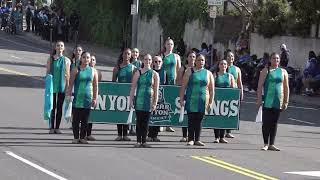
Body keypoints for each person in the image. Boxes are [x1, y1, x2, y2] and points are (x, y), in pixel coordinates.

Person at [180, 54, 215, 146]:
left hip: (203, 100)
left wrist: (211, 102)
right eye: (199, 60)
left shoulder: (208, 73)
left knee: (199, 119)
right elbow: (183, 86)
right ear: (195, 61)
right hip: (192, 99)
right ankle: (190, 139)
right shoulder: (189, 71)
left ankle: (197, 139)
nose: (201, 62)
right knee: (191, 119)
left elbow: (212, 89)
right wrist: (181, 98)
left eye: (202, 60)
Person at [257, 53, 289, 151]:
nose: (276, 60)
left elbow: (286, 87)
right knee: (266, 122)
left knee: (274, 123)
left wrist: (286, 101)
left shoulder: (283, 71)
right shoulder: (266, 70)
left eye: (277, 58)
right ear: (270, 60)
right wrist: (259, 99)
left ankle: (272, 144)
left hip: (278, 101)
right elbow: (259, 86)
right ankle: (266, 143)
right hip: (267, 100)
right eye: (274, 58)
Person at [67, 52, 98, 144]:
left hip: (88, 99)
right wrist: (68, 95)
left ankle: (83, 137)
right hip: (78, 99)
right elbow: (71, 84)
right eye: (84, 57)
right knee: (76, 119)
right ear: (81, 59)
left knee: (85, 119)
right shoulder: (76, 70)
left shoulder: (93, 71)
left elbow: (95, 85)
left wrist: (95, 98)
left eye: (88, 57)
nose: (86, 59)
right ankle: (76, 137)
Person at [130, 54, 160, 148]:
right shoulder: (138, 72)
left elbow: (156, 90)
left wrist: (155, 102)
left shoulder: (155, 74)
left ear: (151, 61)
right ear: (143, 61)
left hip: (149, 100)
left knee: (146, 122)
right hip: (139, 99)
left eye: (150, 59)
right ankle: (139, 140)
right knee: (139, 121)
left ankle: (144, 141)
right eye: (146, 59)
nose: (148, 61)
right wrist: (131, 100)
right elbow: (133, 87)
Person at [46, 41, 71, 134]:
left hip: (62, 86)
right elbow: (48, 72)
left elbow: (68, 75)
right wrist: (48, 85)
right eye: (58, 45)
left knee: (59, 107)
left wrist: (68, 87)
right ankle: (51, 127)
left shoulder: (67, 60)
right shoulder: (51, 59)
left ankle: (57, 127)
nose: (60, 47)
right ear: (55, 47)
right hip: (53, 85)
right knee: (52, 107)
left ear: (63, 48)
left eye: (61, 46)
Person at [112, 48, 136, 141]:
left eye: (129, 54)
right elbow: (113, 82)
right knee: (119, 114)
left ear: (131, 56)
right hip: (119, 94)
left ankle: (125, 134)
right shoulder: (117, 68)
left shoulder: (134, 68)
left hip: (129, 94)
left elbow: (135, 82)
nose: (127, 55)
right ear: (122, 55)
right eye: (125, 53)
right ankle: (119, 134)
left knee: (126, 113)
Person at [162, 37, 181, 132]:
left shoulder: (176, 57)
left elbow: (179, 70)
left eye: (171, 44)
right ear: (165, 45)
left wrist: (179, 82)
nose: (170, 46)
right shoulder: (161, 56)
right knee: (161, 102)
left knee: (170, 102)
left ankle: (168, 124)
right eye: (168, 44)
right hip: (163, 81)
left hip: (172, 81)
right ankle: (160, 123)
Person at [213, 59, 235, 143]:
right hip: (217, 99)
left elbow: (233, 88)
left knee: (224, 118)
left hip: (226, 100)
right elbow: (212, 86)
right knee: (217, 118)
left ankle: (222, 137)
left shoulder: (230, 76)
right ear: (219, 66)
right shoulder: (215, 75)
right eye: (221, 64)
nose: (223, 65)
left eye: (225, 64)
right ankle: (216, 137)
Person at [176, 51, 196, 142]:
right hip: (185, 93)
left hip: (195, 94)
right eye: (190, 56)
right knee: (184, 114)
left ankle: (193, 135)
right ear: (187, 58)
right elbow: (178, 81)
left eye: (194, 56)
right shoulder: (182, 68)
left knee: (193, 116)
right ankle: (184, 135)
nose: (192, 58)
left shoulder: (199, 69)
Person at [146, 56, 165, 142]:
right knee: (151, 116)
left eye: (159, 61)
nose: (158, 63)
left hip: (161, 97)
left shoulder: (164, 73)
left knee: (158, 116)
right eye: (156, 62)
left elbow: (167, 85)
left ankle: (155, 135)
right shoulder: (150, 72)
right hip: (151, 96)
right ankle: (149, 134)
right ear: (153, 63)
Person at [225, 52, 243, 138]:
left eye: (232, 56)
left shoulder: (237, 69)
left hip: (234, 92)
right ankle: (221, 130)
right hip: (224, 91)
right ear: (226, 57)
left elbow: (239, 82)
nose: (230, 57)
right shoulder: (223, 66)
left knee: (232, 111)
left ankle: (228, 131)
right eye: (228, 56)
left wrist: (241, 93)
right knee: (223, 110)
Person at [85, 55, 102, 141]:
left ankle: (89, 134)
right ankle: (82, 133)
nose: (91, 61)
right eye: (90, 59)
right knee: (83, 116)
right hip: (84, 95)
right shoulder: (84, 70)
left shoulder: (97, 72)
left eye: (93, 60)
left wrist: (95, 97)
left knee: (90, 116)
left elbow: (98, 85)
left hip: (92, 96)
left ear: (95, 62)